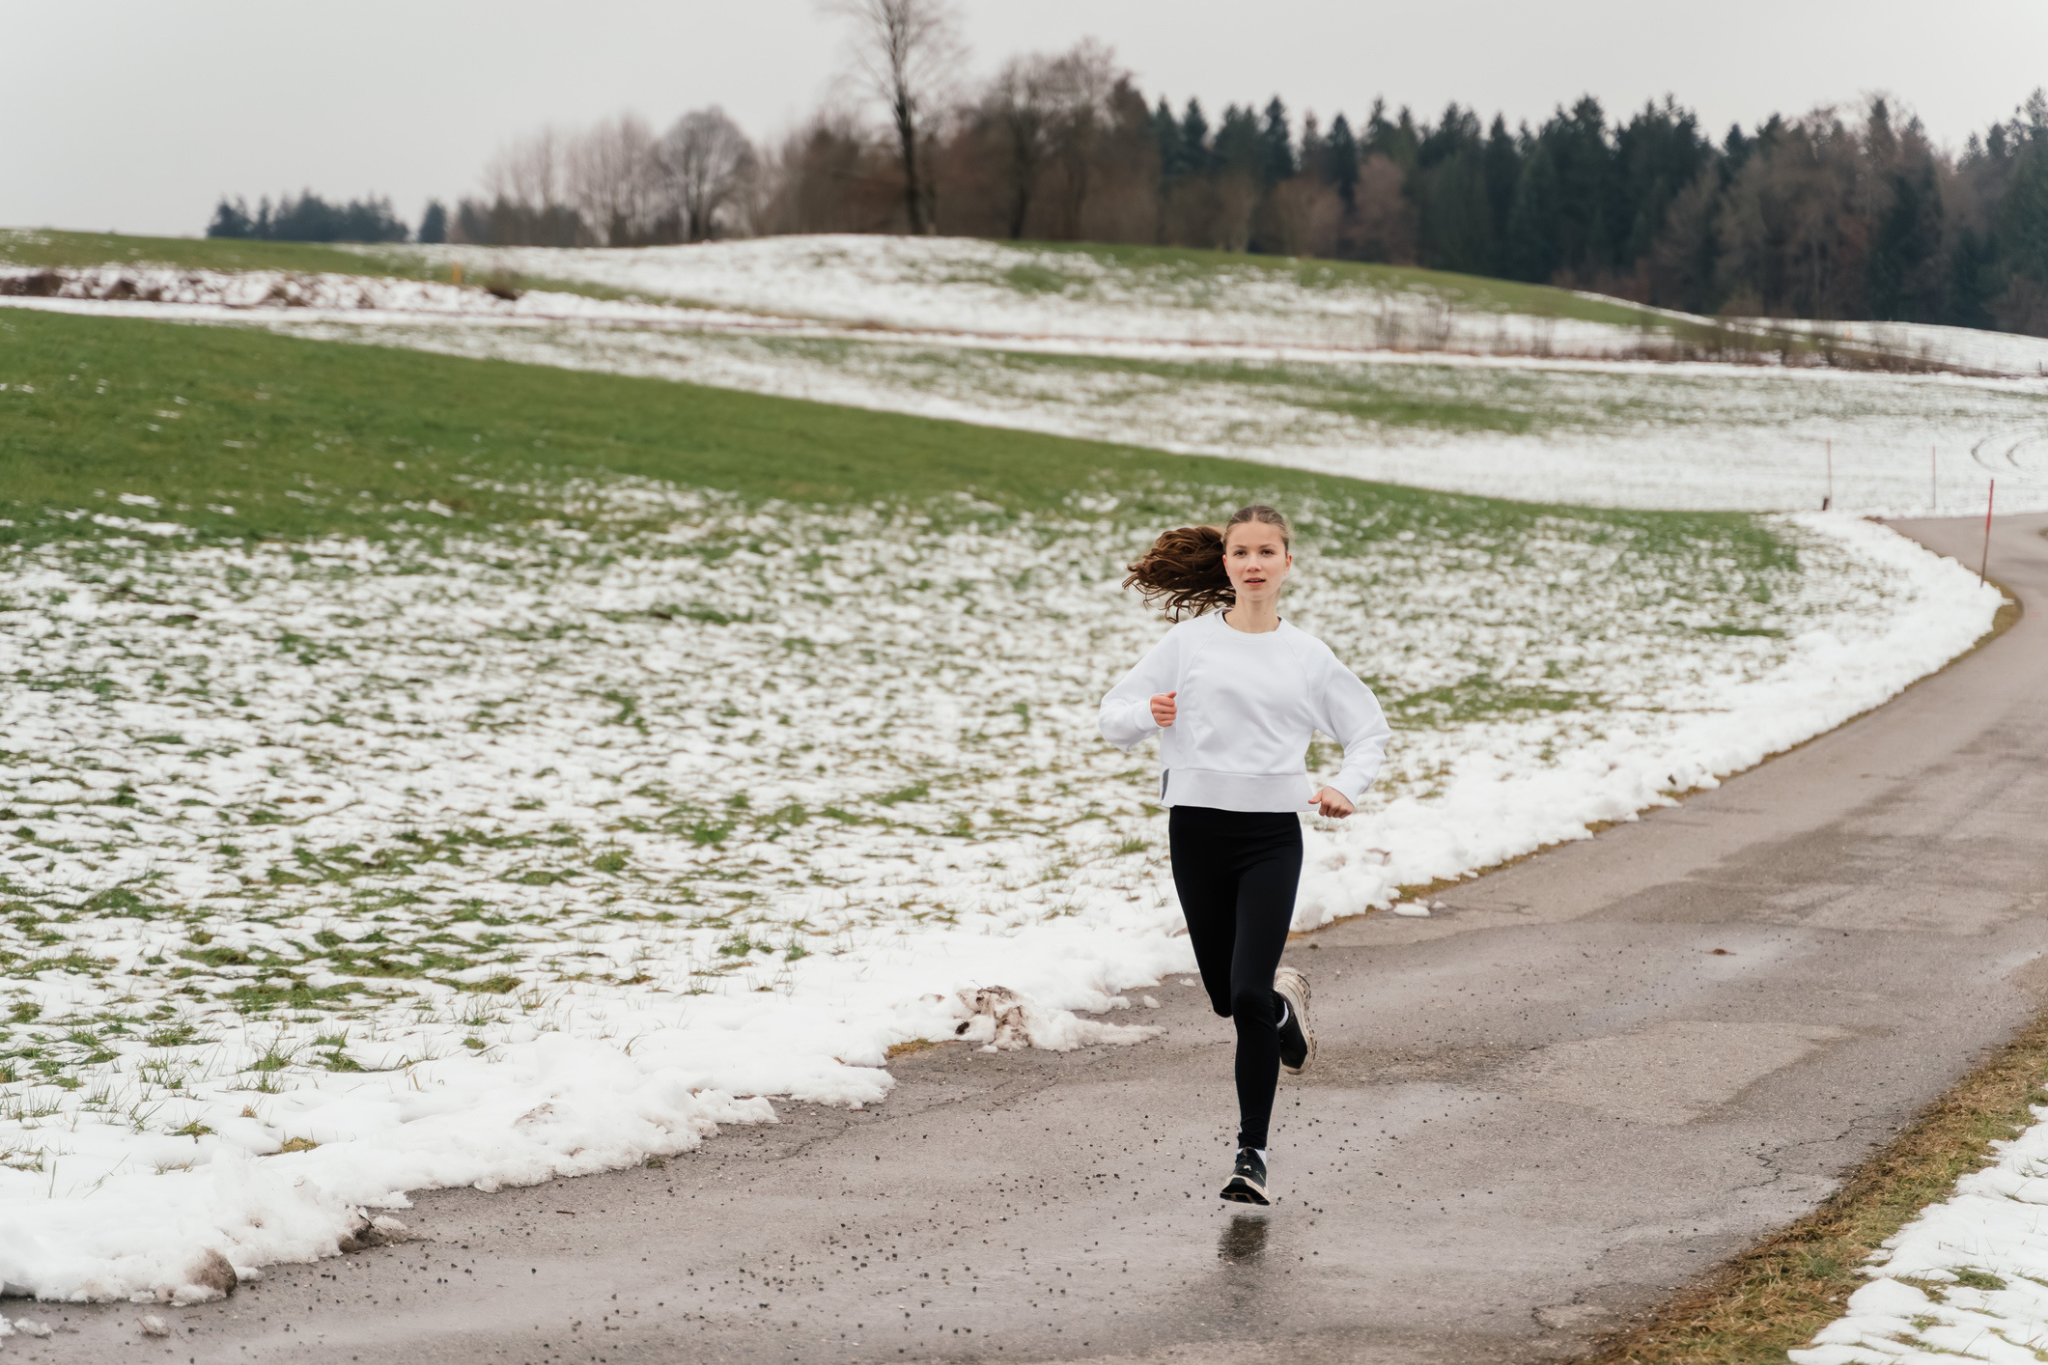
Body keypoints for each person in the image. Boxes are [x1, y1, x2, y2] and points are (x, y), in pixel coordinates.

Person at [1099, 504, 1389, 1205]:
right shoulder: (1189, 643)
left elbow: (1368, 732)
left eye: (1268, 551)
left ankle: (1250, 1155)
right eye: (1241, 552)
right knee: (1231, 998)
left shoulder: (1308, 656)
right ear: (1225, 563)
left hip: (1269, 837)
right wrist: (1149, 714)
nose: (1254, 563)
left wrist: (1345, 786)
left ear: (1288, 563)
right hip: (1196, 830)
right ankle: (1283, 1015)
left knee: (1249, 991)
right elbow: (1113, 716)